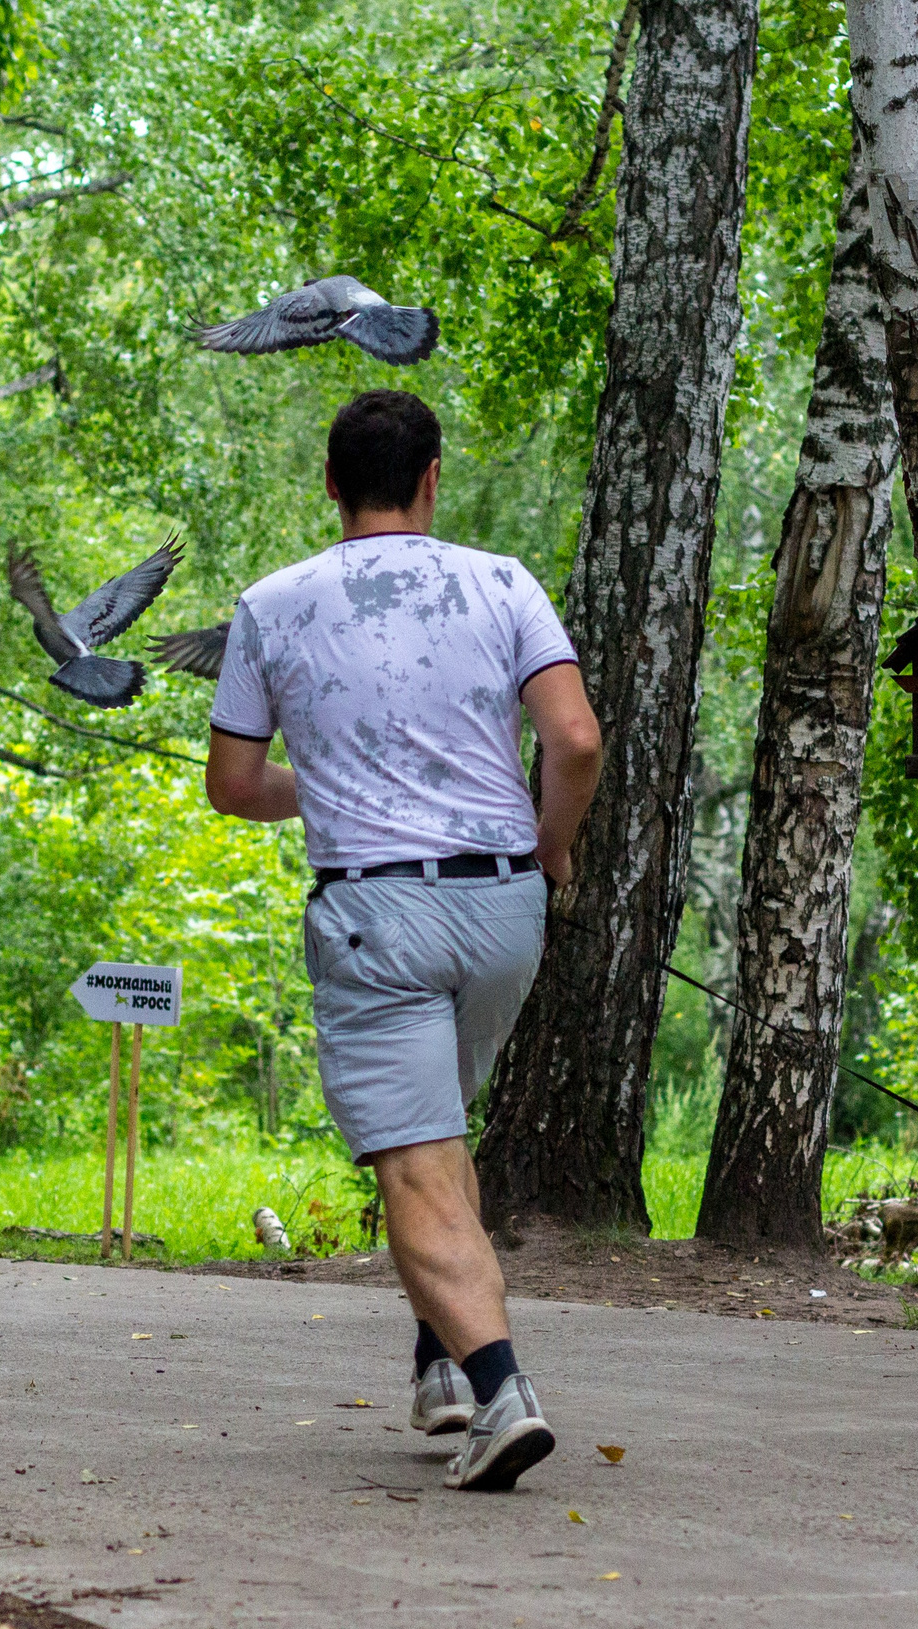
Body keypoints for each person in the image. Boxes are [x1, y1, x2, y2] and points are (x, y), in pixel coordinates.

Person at [202, 389, 602, 1492]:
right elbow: (572, 736)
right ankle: (439, 1355)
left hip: (378, 913)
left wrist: (326, 789)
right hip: (501, 910)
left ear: (329, 484)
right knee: (438, 1138)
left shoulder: (272, 604)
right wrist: (548, 847)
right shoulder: (504, 581)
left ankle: (502, 1388)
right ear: (432, 477)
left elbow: (231, 784)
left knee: (417, 1168)